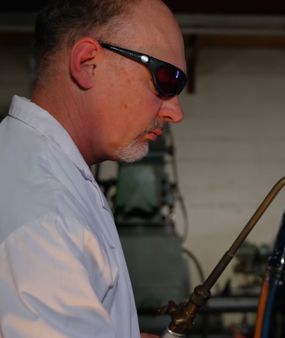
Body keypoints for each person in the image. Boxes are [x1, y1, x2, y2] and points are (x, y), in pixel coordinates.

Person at [0, 0, 187, 337]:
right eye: (165, 80)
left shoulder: (48, 171)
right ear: (87, 63)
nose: (176, 112)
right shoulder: (46, 221)